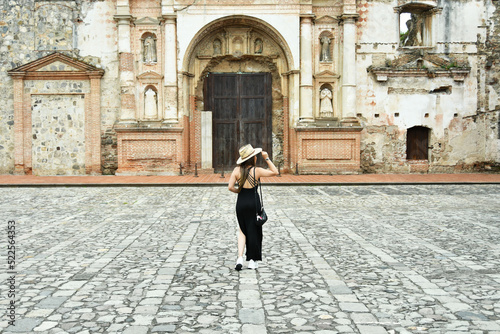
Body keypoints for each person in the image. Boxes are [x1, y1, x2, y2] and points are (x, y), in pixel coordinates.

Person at [228, 144, 278, 270]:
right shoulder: (257, 171)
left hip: (241, 202)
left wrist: (239, 191)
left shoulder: (236, 170)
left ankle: (239, 258)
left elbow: (230, 187)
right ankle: (252, 260)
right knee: (254, 230)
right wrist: (266, 158)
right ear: (253, 158)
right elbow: (275, 172)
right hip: (253, 202)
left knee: (242, 230)